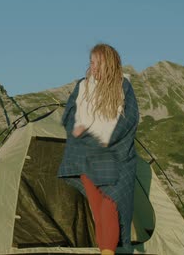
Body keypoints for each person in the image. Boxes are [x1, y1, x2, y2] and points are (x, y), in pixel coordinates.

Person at [57, 43, 139, 255]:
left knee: (110, 205)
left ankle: (108, 252)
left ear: (109, 64)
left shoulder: (124, 87)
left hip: (116, 157)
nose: (93, 67)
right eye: (91, 62)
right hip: (88, 157)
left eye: (98, 63)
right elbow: (68, 115)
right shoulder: (82, 86)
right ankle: (104, 250)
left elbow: (129, 120)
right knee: (98, 212)